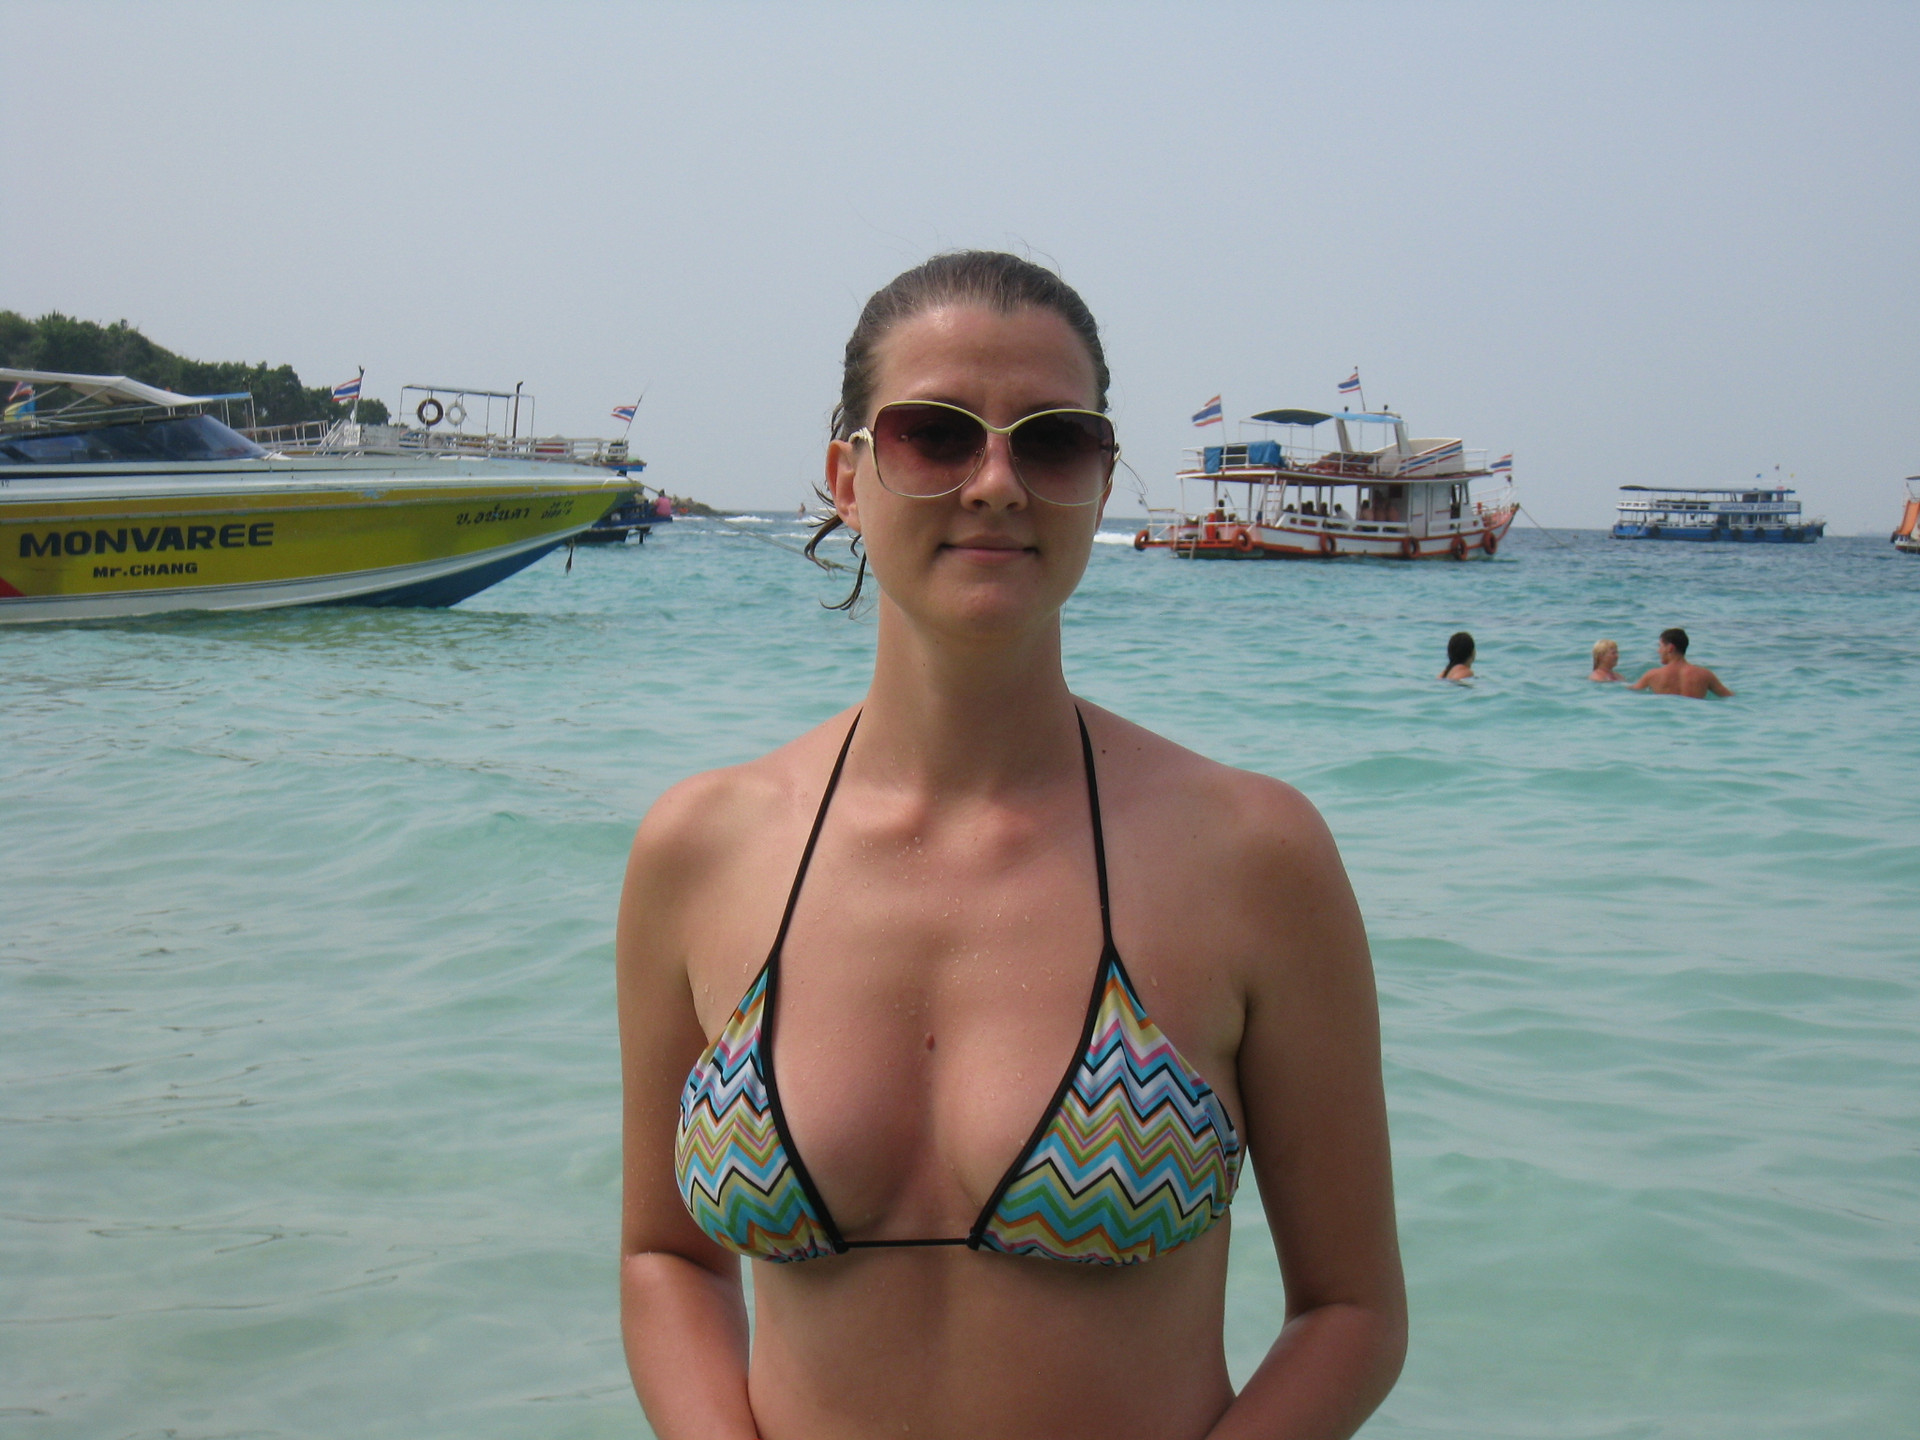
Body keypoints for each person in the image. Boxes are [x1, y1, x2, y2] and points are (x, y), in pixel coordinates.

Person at [617, 252, 1405, 1440]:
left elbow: (1350, 1312)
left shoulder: (1253, 855)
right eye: (936, 435)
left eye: (1052, 441)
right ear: (847, 476)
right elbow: (665, 1260)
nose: (996, 482)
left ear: (1101, 478)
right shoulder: (703, 849)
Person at [1630, 627, 1734, 698]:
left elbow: (1632, 692)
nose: (1658, 651)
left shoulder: (1653, 675)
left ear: (1670, 648)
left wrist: (1620, 681)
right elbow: (1729, 696)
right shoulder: (1705, 675)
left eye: (1660, 646)